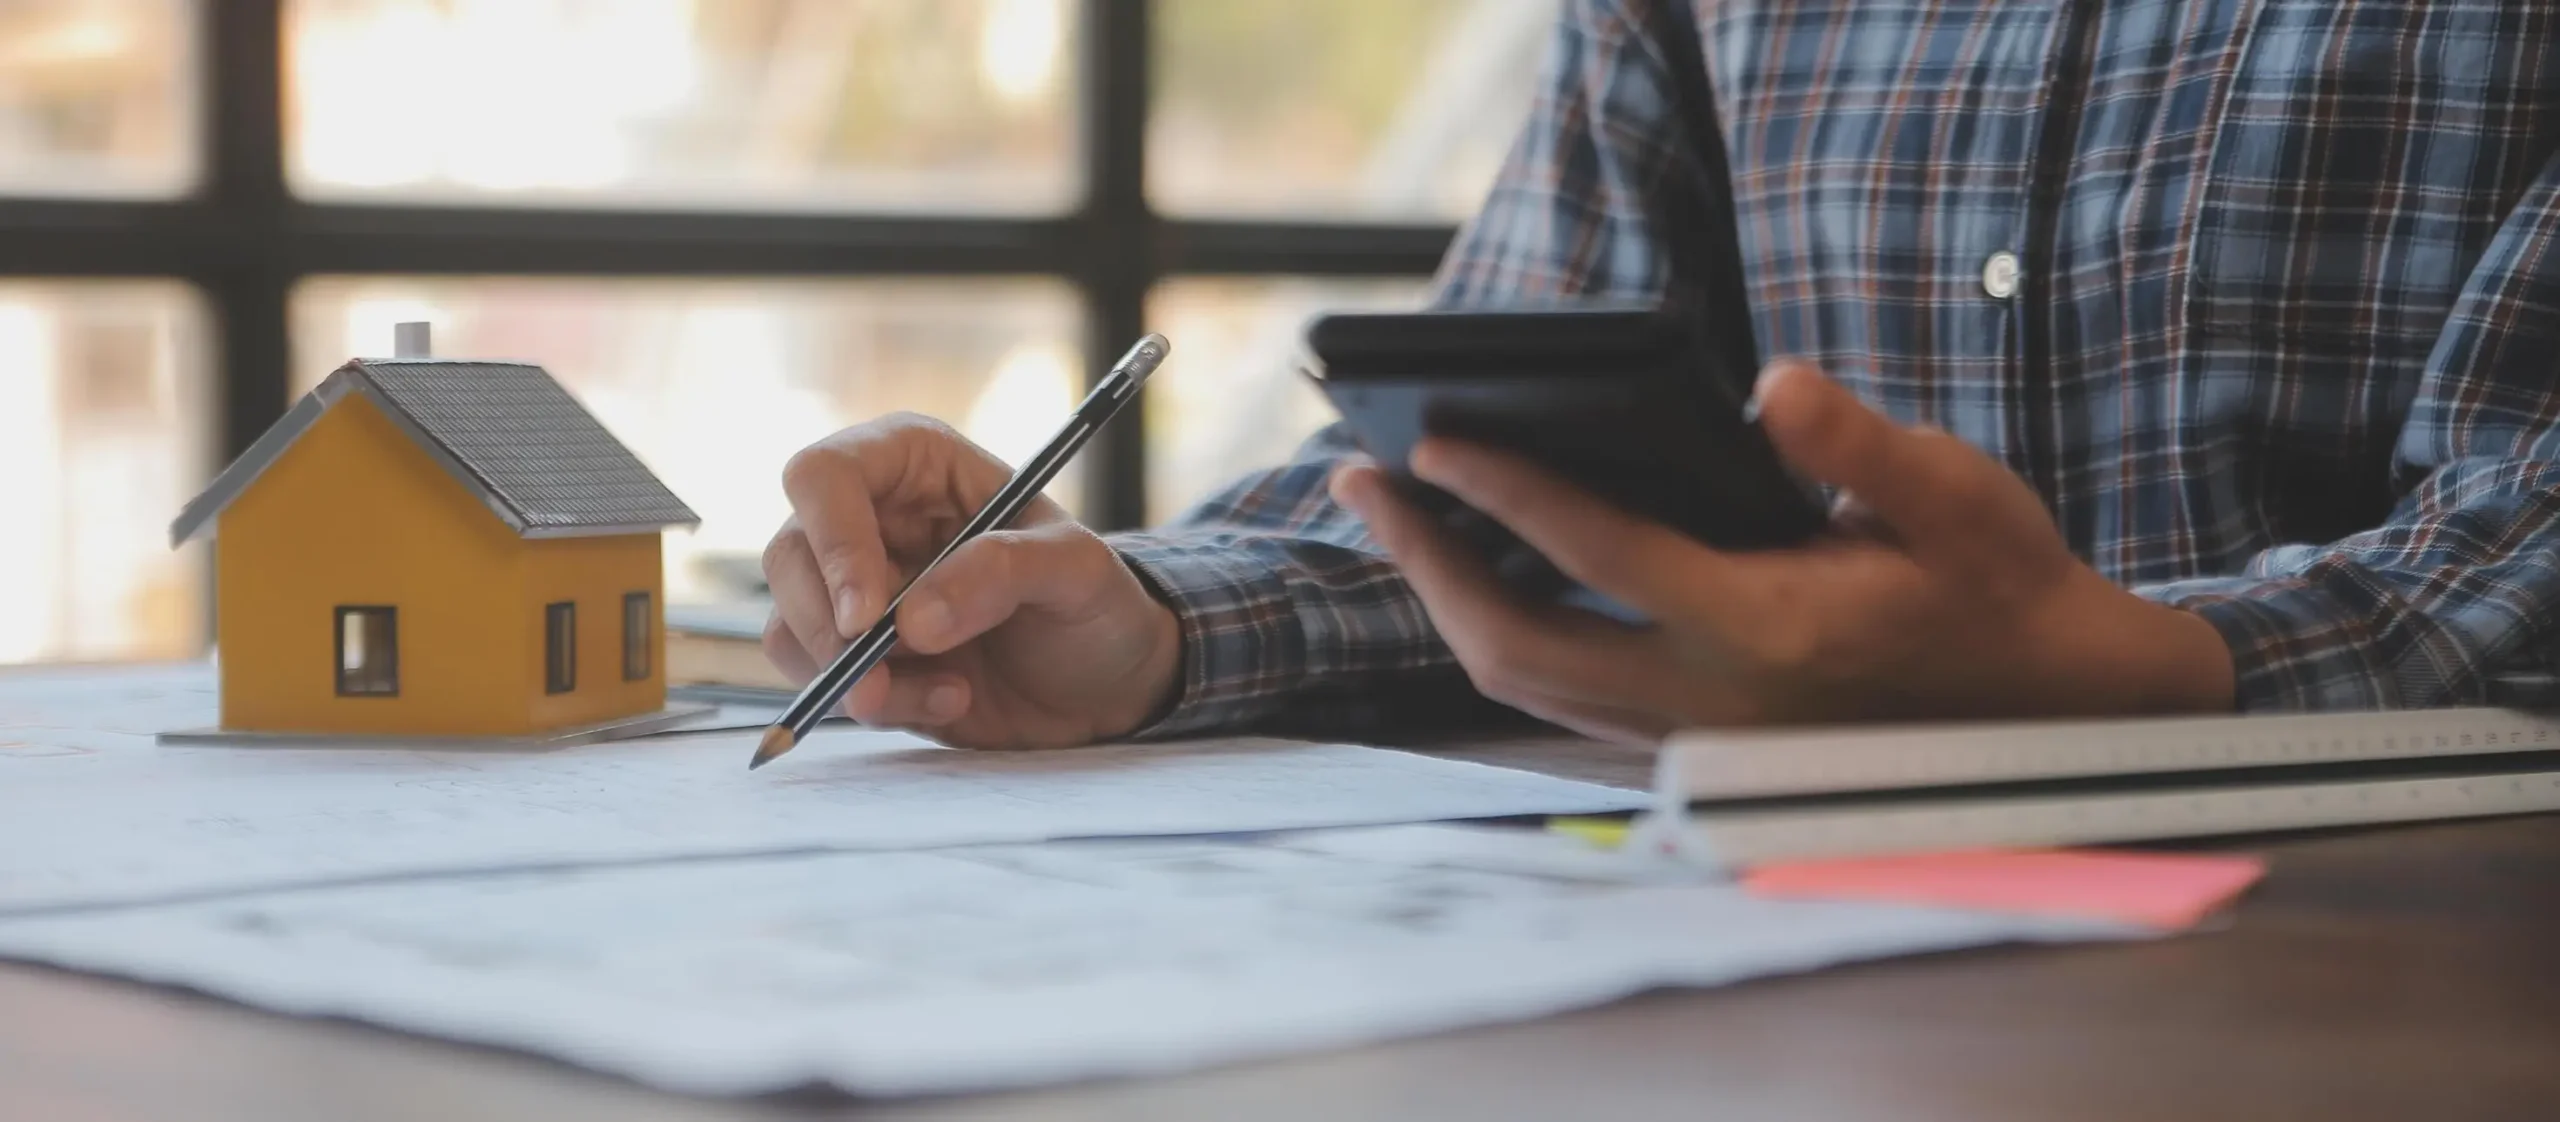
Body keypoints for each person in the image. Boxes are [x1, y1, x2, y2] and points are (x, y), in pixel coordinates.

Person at [762, 0, 2560, 749]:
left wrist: (2145, 672)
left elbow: (2526, 518)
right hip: (1806, 984)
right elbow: (1519, 452)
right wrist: (1145, 622)